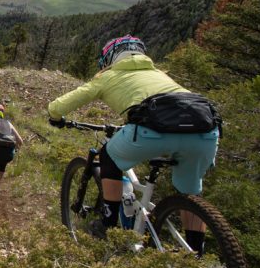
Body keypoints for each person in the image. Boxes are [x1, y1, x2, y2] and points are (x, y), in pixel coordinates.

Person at [47, 35, 220, 247]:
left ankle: (107, 224)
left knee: (108, 157)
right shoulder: (159, 74)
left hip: (151, 130)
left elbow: (59, 106)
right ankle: (195, 255)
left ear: (110, 58)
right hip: (205, 133)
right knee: (190, 192)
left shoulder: (109, 76)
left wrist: (55, 117)